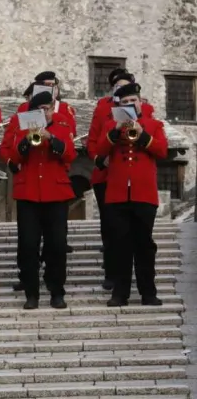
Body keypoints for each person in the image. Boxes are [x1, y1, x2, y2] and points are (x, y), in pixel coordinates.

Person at [96, 82, 167, 307]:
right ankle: (120, 293)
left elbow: (162, 151)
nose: (129, 104)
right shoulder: (111, 126)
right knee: (120, 245)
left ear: (140, 102)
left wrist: (142, 134)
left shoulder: (153, 124)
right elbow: (99, 151)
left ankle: (148, 292)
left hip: (143, 193)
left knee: (144, 245)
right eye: (124, 102)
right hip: (117, 194)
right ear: (118, 105)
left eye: (132, 101)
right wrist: (116, 130)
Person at [6, 91, 76, 309]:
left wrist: (50, 137)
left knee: (57, 245)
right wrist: (27, 141)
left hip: (56, 194)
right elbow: (15, 158)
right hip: (28, 194)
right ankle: (31, 294)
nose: (43, 112)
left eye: (47, 108)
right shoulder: (21, 130)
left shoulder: (62, 128)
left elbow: (70, 155)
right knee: (28, 245)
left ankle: (57, 291)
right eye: (39, 110)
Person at [87, 70, 155, 290]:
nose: (124, 95)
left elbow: (159, 146)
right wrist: (100, 159)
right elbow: (93, 141)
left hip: (134, 180)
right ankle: (112, 275)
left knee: (138, 237)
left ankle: (141, 284)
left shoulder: (146, 111)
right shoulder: (102, 110)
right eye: (119, 89)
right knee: (111, 230)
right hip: (107, 176)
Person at [18, 71, 77, 138]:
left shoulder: (64, 107)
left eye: (54, 85)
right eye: (48, 85)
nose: (52, 88)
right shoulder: (24, 106)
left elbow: (71, 133)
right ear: (38, 87)